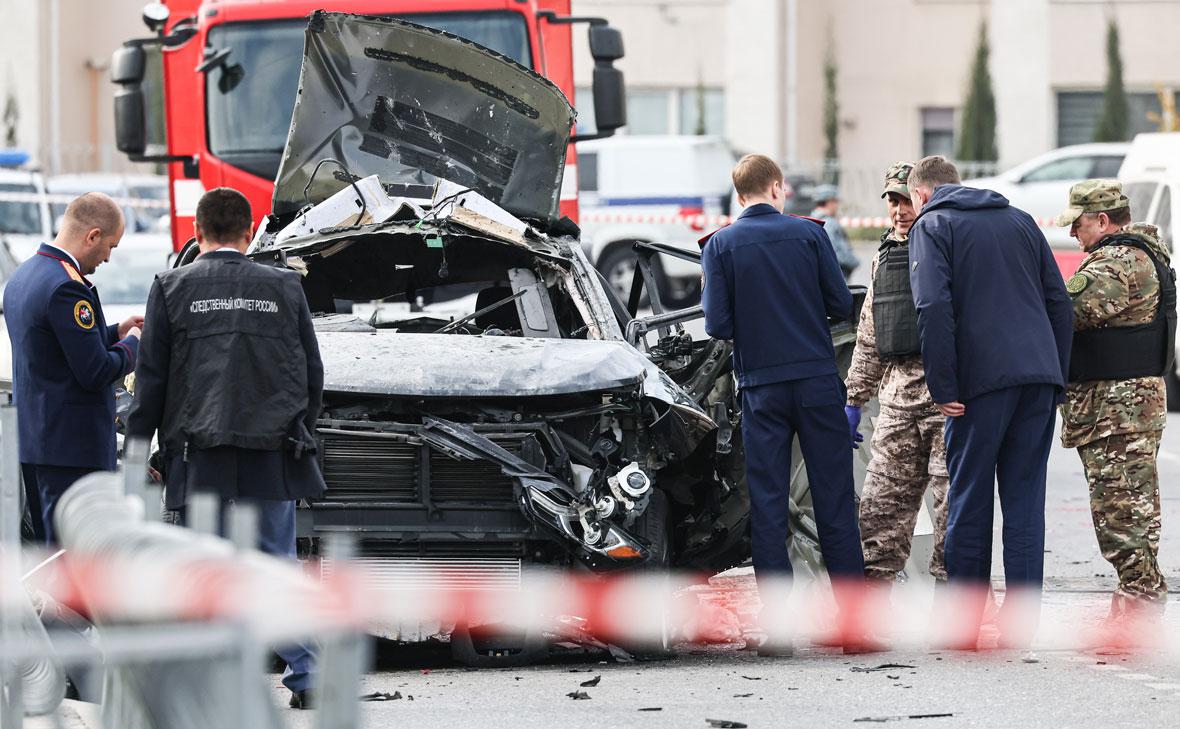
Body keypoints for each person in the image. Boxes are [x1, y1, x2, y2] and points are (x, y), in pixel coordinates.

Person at [125, 188, 326, 708]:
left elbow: (152, 381)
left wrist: (139, 451)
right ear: (250, 229)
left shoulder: (171, 287)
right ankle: (308, 676)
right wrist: (301, 429)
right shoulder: (285, 286)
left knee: (202, 567)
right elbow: (311, 372)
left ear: (197, 232)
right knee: (275, 565)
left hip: (199, 455)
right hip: (271, 451)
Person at [701, 154, 872, 656]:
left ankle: (778, 633)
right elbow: (841, 304)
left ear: (739, 196)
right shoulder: (811, 235)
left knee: (770, 507)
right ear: (777, 188)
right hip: (818, 384)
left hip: (762, 390)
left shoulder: (721, 245)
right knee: (835, 501)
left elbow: (716, 325)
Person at [906, 155, 1073, 649]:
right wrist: (1055, 372)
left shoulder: (932, 226)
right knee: (1024, 500)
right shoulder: (1020, 220)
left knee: (970, 497)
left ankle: (964, 622)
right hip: (1037, 377)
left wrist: (944, 386)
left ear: (921, 194)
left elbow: (932, 306)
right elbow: (1058, 302)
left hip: (979, 385)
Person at [1054, 180, 1173, 638]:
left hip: (1115, 410)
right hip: (1128, 406)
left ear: (1102, 221)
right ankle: (1138, 596)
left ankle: (1139, 604)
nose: (1074, 236)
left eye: (1079, 226)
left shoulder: (1116, 263)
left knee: (1120, 510)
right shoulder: (1146, 253)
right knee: (1133, 506)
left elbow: (1064, 312)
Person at [3, 192, 142, 544]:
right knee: (76, 557)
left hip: (39, 440)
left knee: (53, 553)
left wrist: (115, 332)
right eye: (110, 246)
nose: (108, 258)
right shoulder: (67, 287)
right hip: (73, 450)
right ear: (92, 236)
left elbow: (55, 347)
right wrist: (135, 342)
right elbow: (94, 369)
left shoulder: (26, 274)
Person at [845, 162, 948, 591]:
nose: (898, 209)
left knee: (951, 510)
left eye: (905, 199)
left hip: (948, 399)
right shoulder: (885, 254)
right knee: (880, 508)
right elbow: (870, 331)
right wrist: (854, 398)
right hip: (899, 400)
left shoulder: (948, 245)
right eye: (891, 200)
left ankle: (956, 602)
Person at [810, 184, 860, 280]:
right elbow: (836, 252)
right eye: (836, 202)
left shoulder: (810, 221)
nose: (837, 206)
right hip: (837, 276)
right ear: (830, 202)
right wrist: (854, 261)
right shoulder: (829, 224)